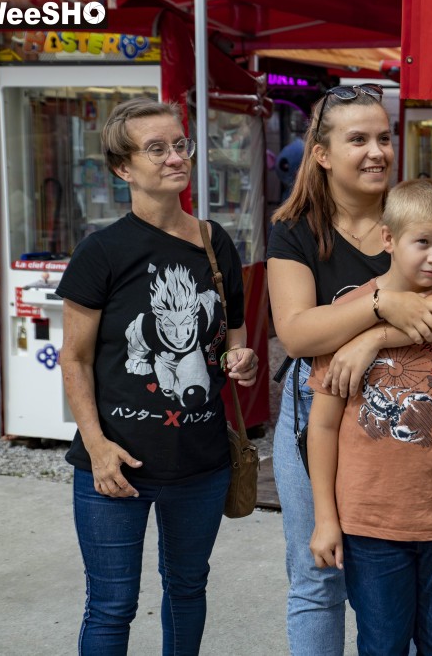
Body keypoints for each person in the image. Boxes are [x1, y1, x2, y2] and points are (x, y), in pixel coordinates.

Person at [266, 83, 432, 656]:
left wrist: (375, 338)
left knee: (400, 594)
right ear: (322, 153)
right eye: (358, 139)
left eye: (384, 138)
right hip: (320, 406)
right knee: (320, 573)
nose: (376, 152)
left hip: (409, 405)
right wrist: (378, 303)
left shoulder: (415, 217)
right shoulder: (295, 229)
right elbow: (296, 333)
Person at [57, 97, 259, 655]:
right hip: (116, 464)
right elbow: (74, 358)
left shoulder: (215, 242)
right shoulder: (101, 252)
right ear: (123, 168)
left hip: (201, 461)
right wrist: (98, 448)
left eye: (179, 144)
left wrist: (240, 358)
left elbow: (233, 332)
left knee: (188, 589)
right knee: (111, 605)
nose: (175, 157)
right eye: (156, 149)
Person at [307, 178, 432, 655]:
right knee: (382, 645)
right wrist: (325, 518)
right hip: (369, 525)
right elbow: (324, 425)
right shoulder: (347, 315)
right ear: (388, 239)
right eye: (422, 243)